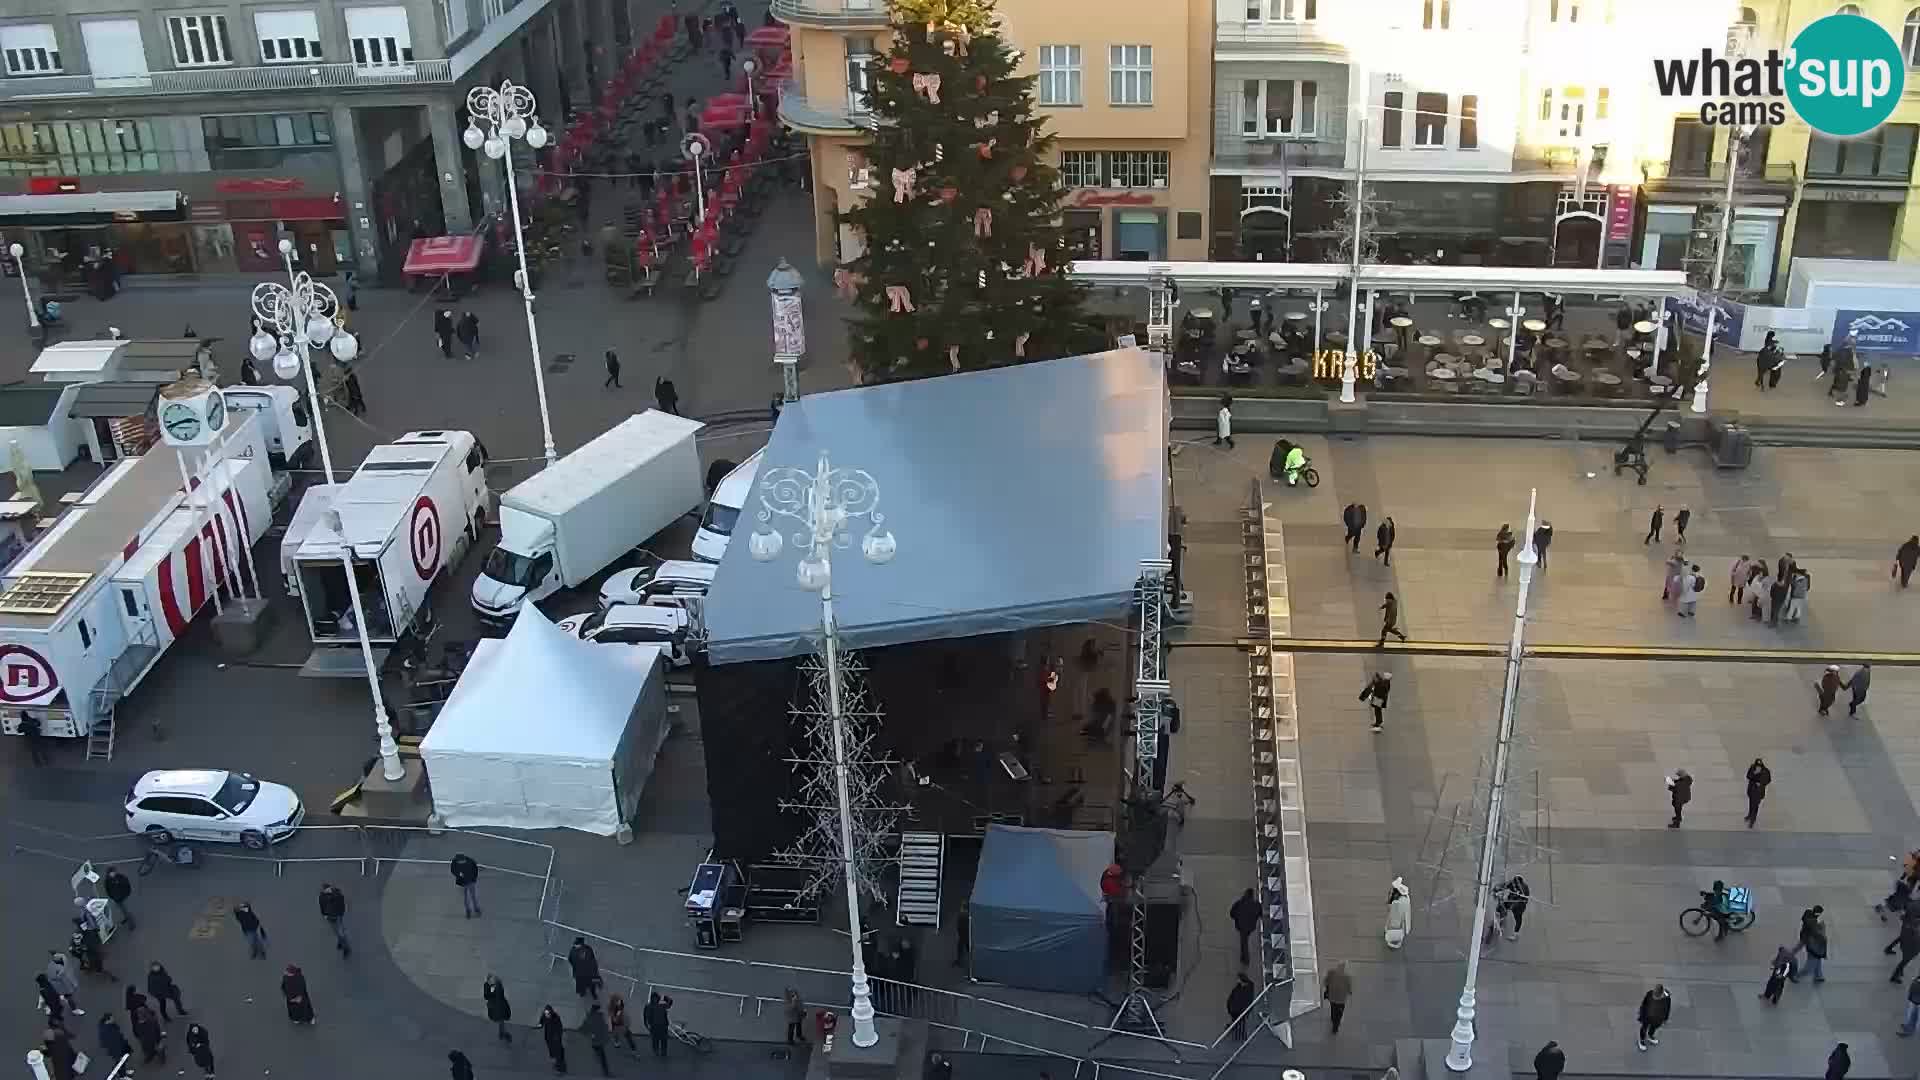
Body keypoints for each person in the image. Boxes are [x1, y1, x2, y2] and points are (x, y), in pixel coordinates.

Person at [579, 1002, 613, 1077]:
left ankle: (599, 1058)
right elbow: (604, 1027)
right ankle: (606, 1073)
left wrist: (590, 1034)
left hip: (595, 1041)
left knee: (599, 1053)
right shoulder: (598, 1017)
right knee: (602, 1058)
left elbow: (583, 1029)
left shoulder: (590, 1017)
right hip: (598, 1041)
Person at [1229, 888, 1261, 966]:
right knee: (1244, 940)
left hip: (1241, 925)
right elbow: (1260, 913)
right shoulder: (1256, 904)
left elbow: (1232, 913)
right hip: (1250, 926)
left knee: (1244, 941)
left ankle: (1245, 958)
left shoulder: (1240, 903)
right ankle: (1244, 957)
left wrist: (1237, 918)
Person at [318, 883, 350, 956]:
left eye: (328, 889)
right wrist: (324, 915)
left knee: (341, 933)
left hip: (337, 916)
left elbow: (342, 905)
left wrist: (341, 914)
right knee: (336, 932)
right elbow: (321, 906)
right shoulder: (322, 897)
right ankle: (340, 941)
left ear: (330, 888)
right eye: (325, 890)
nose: (326, 891)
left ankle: (346, 948)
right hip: (330, 917)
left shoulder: (337, 895)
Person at [1636, 983, 1671, 1050]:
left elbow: (1667, 1009)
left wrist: (1665, 1019)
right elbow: (1644, 1004)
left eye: (1656, 997)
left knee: (1654, 1027)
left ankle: (1650, 1036)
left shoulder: (1667, 998)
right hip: (1647, 1016)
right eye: (1654, 996)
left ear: (1662, 994)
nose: (1654, 997)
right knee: (1644, 1028)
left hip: (1658, 1018)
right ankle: (1642, 1040)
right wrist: (1641, 1014)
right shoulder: (1650, 994)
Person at [101, 865, 135, 931]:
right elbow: (107, 889)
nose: (112, 874)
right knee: (123, 910)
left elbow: (127, 886)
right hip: (116, 898)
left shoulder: (121, 877)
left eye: (113, 872)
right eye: (111, 873)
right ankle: (126, 918)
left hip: (122, 897)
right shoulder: (107, 880)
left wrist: (126, 894)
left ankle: (132, 923)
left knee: (125, 911)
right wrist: (112, 896)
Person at [1800, 905, 1829, 982]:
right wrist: (1824, 955)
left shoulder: (1810, 917)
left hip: (1812, 946)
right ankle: (1796, 974)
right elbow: (1823, 945)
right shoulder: (1820, 935)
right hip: (1812, 948)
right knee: (1809, 967)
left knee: (1817, 962)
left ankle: (1818, 976)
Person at [1323, 961, 1352, 1034]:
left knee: (1333, 1008)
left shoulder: (1331, 972)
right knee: (1340, 1011)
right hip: (1341, 998)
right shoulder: (1347, 976)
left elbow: (1325, 982)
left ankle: (1334, 1021)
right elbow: (1349, 987)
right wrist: (1349, 991)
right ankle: (1336, 1023)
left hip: (1332, 996)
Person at [1226, 974, 1256, 1042]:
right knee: (1237, 1024)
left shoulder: (1246, 989)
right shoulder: (1239, 987)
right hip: (1235, 1010)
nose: (1237, 980)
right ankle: (1238, 1037)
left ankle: (1241, 1038)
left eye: (1238, 979)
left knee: (1240, 1024)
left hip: (1241, 1010)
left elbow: (1247, 1000)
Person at [1384, 877, 1412, 949]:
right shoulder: (1405, 899)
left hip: (1395, 922)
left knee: (1394, 921)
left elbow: (1392, 913)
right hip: (1398, 923)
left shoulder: (1397, 902)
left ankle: (1392, 933)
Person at [451, 853, 481, 918]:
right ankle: (468, 910)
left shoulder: (470, 862)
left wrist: (473, 878)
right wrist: (459, 874)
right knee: (466, 897)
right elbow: (453, 870)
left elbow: (475, 870)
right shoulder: (455, 862)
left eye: (461, 862)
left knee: (473, 896)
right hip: (462, 882)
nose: (460, 862)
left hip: (471, 881)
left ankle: (476, 909)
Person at [484, 974, 512, 1043]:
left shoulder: (497, 984)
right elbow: (488, 995)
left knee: (501, 1019)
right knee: (500, 1019)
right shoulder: (489, 985)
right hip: (496, 1005)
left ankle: (502, 1033)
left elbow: (500, 994)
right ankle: (502, 1033)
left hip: (499, 1005)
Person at [540, 1005, 567, 1073]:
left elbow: (559, 1028)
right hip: (549, 1037)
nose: (547, 1015)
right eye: (546, 1013)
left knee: (558, 1051)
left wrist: (557, 1036)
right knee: (552, 1049)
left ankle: (561, 1067)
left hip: (555, 1037)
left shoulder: (556, 1018)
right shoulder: (544, 1015)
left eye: (548, 1013)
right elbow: (542, 1022)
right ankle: (557, 1061)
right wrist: (540, 1025)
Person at [643, 992, 670, 1057]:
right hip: (656, 1026)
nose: (655, 999)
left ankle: (661, 1051)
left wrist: (664, 997)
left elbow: (670, 1002)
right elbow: (645, 1016)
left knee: (662, 1039)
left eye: (656, 998)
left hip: (662, 1025)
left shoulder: (661, 1005)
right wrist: (646, 1025)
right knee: (657, 1039)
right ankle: (658, 1051)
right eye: (654, 998)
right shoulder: (649, 1006)